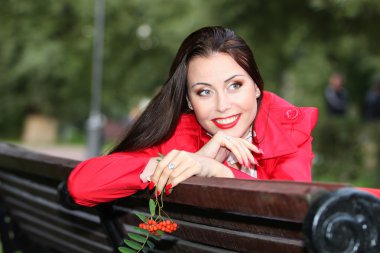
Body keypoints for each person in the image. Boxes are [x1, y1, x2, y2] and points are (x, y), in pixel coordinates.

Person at [68, 26, 319, 207]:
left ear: (256, 87)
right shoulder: (181, 133)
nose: (222, 105)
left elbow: (294, 208)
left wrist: (218, 171)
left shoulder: (288, 129)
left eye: (235, 85)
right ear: (189, 100)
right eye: (204, 91)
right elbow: (82, 186)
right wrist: (170, 165)